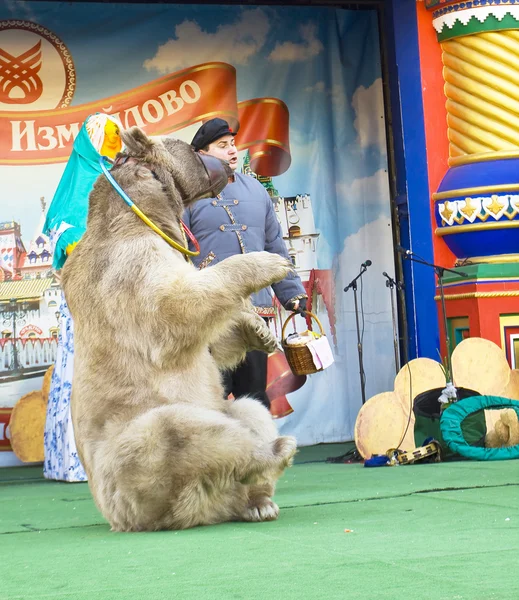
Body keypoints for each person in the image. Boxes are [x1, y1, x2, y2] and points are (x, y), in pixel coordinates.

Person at [183, 118, 307, 408]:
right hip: (210, 313)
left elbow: (274, 245)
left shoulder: (256, 191)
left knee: (253, 395)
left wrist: (292, 293)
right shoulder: (186, 196)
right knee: (208, 396)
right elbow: (177, 253)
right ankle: (213, 454)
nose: (233, 151)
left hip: (255, 311)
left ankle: (260, 451)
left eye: (233, 144)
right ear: (201, 153)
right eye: (222, 146)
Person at [42, 113, 122, 482]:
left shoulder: (117, 180)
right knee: (82, 370)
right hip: (85, 295)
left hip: (117, 293)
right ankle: (75, 461)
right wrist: (80, 243)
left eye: (117, 133)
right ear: (91, 139)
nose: (115, 139)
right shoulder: (79, 185)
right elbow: (61, 235)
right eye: (108, 133)